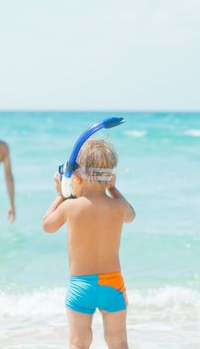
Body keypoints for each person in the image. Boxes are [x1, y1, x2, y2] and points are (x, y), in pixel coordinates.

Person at [42, 139, 135, 349]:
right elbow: (132, 215)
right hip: (113, 284)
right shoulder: (119, 206)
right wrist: (114, 189)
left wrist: (60, 196)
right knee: (118, 341)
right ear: (110, 177)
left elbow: (47, 225)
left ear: (74, 177)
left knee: (78, 343)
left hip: (81, 286)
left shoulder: (71, 207)